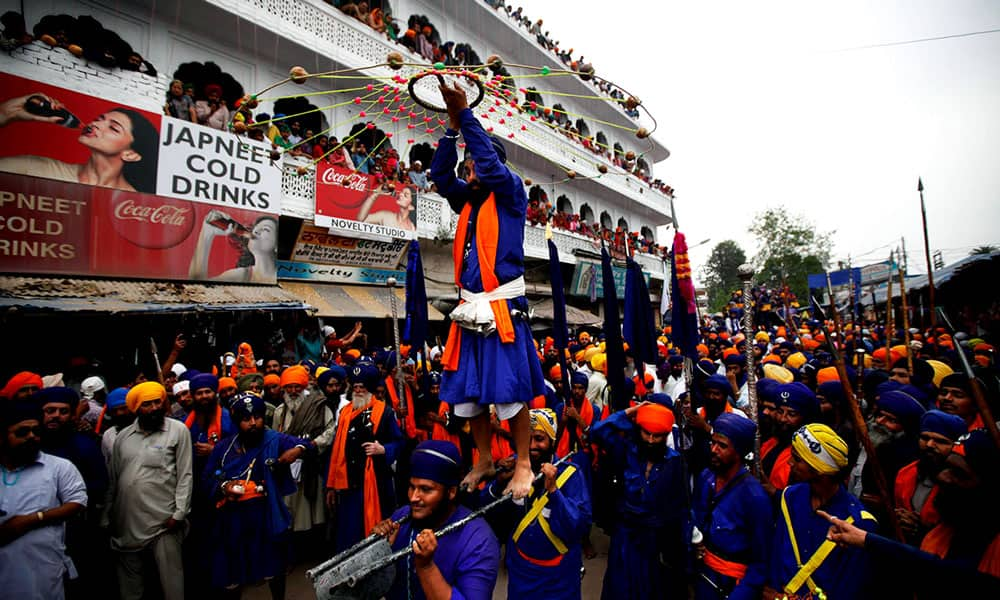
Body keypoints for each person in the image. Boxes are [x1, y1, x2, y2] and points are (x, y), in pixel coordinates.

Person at [429, 81, 546, 499]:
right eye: (469, 165)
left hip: (501, 307)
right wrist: (449, 129)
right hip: (468, 309)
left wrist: (466, 117)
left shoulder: (512, 191)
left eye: (476, 163)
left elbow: (491, 167)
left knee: (510, 393)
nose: (470, 170)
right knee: (469, 397)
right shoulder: (468, 201)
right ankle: (481, 457)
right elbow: (440, 176)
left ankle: (524, 463)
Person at [821, 430, 1000, 597]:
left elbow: (951, 576)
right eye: (947, 467)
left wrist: (868, 541)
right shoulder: (941, 534)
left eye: (959, 474)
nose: (943, 477)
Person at [202, 393, 312, 598]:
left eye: (258, 417)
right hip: (233, 518)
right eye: (246, 419)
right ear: (236, 422)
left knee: (273, 567)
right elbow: (207, 479)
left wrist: (296, 450)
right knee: (232, 570)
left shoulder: (273, 439)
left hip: (265, 514)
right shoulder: (223, 449)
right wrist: (225, 486)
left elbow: (307, 445)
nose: (253, 423)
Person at [373, 439, 501, 600]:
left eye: (425, 489)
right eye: (412, 487)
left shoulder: (479, 540)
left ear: (451, 492)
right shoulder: (401, 518)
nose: (413, 497)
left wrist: (426, 567)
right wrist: (379, 552)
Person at [485, 408, 591, 600]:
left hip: (560, 578)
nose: (532, 445)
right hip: (521, 574)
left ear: (552, 441)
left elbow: (578, 528)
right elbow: (488, 519)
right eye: (526, 438)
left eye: (540, 439)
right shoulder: (511, 468)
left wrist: (554, 492)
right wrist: (498, 483)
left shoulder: (570, 474)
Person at [764, 424, 878, 600]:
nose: (789, 463)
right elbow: (777, 556)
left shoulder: (858, 523)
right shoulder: (790, 496)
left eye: (797, 459)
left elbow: (849, 589)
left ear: (820, 470)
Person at [102, 382, 192, 600]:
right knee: (131, 585)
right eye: (146, 404)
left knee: (171, 583)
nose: (153, 408)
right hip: (127, 522)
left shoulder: (178, 430)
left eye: (157, 402)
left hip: (164, 520)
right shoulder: (124, 437)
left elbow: (185, 475)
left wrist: (179, 513)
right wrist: (107, 515)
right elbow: (114, 480)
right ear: (135, 408)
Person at [590, 401, 689, 599]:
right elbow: (597, 432)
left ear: (667, 435)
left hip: (653, 541)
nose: (651, 441)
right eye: (647, 433)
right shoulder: (626, 451)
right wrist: (628, 413)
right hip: (624, 536)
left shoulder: (675, 462)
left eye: (657, 435)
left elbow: (681, 507)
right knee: (619, 588)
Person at [0, 399, 88, 600]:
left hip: (41, 568)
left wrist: (31, 520)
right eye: (22, 432)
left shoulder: (58, 467)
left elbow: (78, 502)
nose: (32, 436)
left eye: (36, 431)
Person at [0, 92, 160, 192]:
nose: (95, 124)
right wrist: (6, 113)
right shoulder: (37, 169)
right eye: (99, 119)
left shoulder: (137, 202)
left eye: (113, 128)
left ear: (130, 154)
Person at [692, 413, 772, 600]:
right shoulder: (706, 477)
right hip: (703, 577)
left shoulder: (755, 498)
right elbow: (695, 517)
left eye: (722, 446)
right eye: (713, 443)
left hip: (731, 586)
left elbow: (761, 561)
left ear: (739, 452)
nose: (713, 450)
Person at [325, 364, 404, 551]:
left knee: (376, 529)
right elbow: (336, 447)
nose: (359, 391)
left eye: (362, 387)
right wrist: (330, 486)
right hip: (348, 484)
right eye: (356, 387)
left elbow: (400, 442)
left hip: (375, 482)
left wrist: (383, 449)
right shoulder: (345, 413)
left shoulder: (384, 412)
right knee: (349, 532)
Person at [271, 364, 335, 554]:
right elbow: (274, 437)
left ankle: (315, 550)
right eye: (288, 387)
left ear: (304, 386)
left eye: (296, 387)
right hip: (289, 469)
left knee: (314, 510)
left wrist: (311, 445)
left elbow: (331, 431)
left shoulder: (319, 406)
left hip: (311, 465)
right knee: (290, 509)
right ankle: (293, 551)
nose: (292, 391)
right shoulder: (279, 412)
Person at [894, 409, 966, 545]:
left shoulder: (961, 483)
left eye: (941, 441)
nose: (929, 445)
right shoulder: (906, 473)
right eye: (925, 438)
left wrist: (924, 531)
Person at [188, 211, 279, 283]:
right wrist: (207, 234)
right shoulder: (242, 275)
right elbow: (196, 286)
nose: (255, 232)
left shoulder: (281, 277)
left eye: (266, 229)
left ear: (276, 246)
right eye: (255, 228)